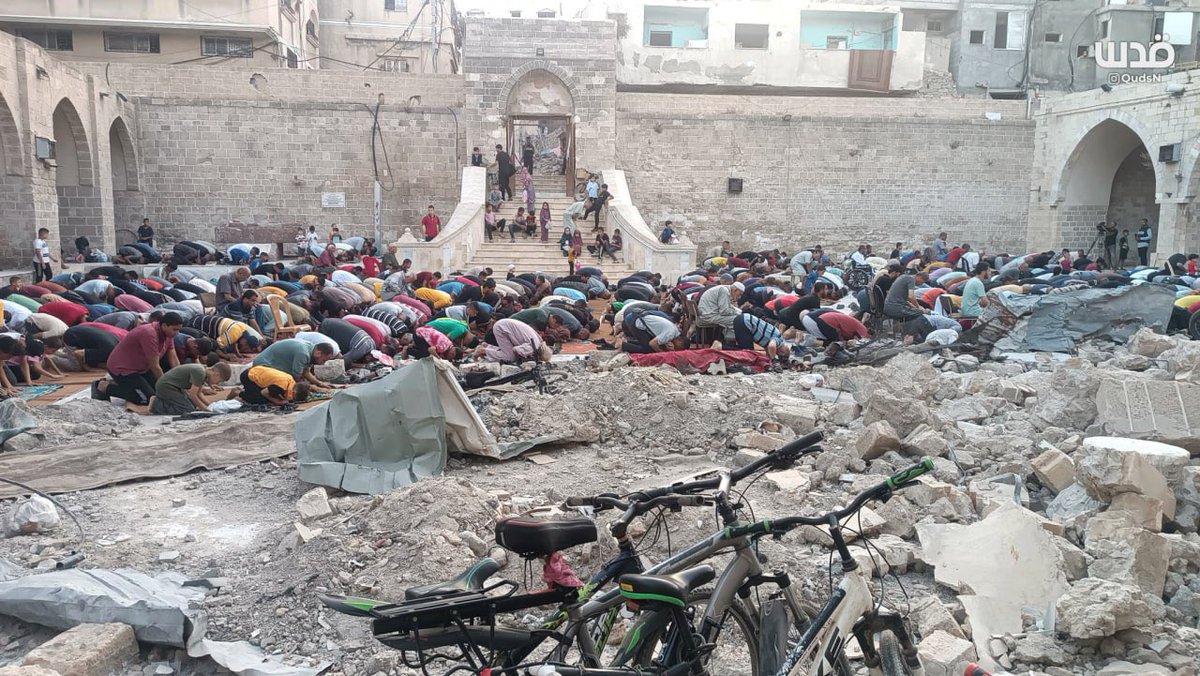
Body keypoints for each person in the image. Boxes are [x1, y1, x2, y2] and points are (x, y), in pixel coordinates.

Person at [96, 312, 183, 407]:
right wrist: (166, 386)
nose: (177, 333)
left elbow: (173, 359)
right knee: (146, 399)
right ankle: (104, 387)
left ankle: (129, 387)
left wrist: (179, 381)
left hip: (142, 368)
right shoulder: (149, 334)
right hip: (123, 368)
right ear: (164, 325)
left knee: (158, 394)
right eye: (174, 330)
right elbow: (155, 366)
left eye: (178, 330)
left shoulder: (168, 335)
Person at [253, 338, 339, 391]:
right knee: (286, 387)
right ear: (318, 353)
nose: (323, 363)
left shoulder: (310, 348)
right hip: (262, 366)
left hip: (270, 365)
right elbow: (295, 379)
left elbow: (306, 372)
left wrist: (319, 383)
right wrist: (314, 388)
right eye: (323, 360)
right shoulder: (303, 354)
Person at [148, 362, 232, 415]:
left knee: (194, 405)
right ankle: (156, 404)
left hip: (175, 387)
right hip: (166, 387)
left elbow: (199, 393)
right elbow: (193, 394)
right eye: (219, 381)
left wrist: (210, 405)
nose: (217, 384)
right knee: (187, 409)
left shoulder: (204, 374)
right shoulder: (200, 373)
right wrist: (205, 409)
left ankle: (164, 401)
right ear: (216, 374)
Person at [883, 271, 931, 342]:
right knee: (919, 315)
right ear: (919, 277)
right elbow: (911, 296)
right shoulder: (911, 279)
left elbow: (907, 301)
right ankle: (911, 336)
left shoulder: (904, 277)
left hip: (889, 306)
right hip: (894, 307)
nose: (921, 284)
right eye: (922, 281)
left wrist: (919, 308)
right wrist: (919, 309)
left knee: (917, 312)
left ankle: (908, 334)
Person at [475, 318, 546, 363]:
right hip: (502, 327)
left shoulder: (539, 342)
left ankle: (487, 347)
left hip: (504, 325)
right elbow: (515, 350)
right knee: (509, 357)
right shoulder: (535, 347)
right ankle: (483, 351)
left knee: (508, 353)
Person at [241, 365, 311, 407]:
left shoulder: (291, 382)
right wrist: (277, 401)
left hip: (257, 371)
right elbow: (264, 392)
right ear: (294, 392)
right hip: (248, 376)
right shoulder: (281, 386)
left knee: (272, 395)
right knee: (261, 400)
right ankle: (237, 392)